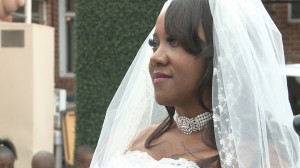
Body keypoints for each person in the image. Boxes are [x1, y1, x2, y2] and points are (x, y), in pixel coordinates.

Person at [90, 0, 300, 167]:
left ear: (222, 54)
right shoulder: (139, 139)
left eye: (175, 41)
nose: (155, 57)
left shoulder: (258, 155)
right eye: (155, 44)